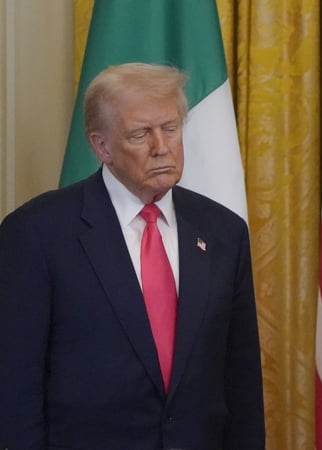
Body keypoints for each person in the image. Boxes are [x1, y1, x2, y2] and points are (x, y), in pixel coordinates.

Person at [0, 63, 265, 448]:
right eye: (140, 134)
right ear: (101, 146)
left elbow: (241, 381)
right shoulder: (38, 233)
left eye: (171, 128)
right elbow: (14, 387)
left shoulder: (224, 231)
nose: (162, 146)